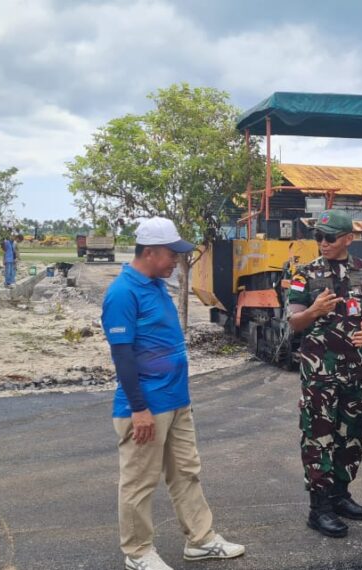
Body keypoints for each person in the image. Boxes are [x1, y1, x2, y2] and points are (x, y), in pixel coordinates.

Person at [101, 217, 244, 570]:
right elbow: (122, 355)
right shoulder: (122, 292)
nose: (176, 262)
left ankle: (201, 540)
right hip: (145, 406)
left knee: (186, 472)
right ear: (149, 252)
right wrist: (139, 409)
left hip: (177, 401)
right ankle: (137, 553)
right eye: (171, 255)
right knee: (139, 482)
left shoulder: (154, 285)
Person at [287, 210, 362, 538]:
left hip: (358, 370)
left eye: (329, 237)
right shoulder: (306, 274)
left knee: (353, 433)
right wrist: (314, 311)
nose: (323, 242)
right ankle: (319, 508)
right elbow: (293, 321)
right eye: (319, 236)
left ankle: (340, 494)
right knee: (319, 435)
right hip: (321, 372)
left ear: (349, 238)